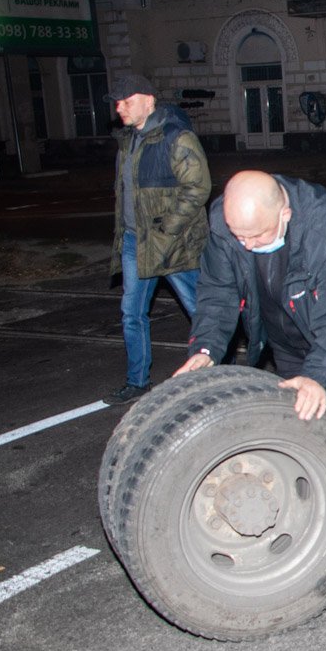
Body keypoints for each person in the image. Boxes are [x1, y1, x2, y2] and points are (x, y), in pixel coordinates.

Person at [175, 171, 326, 554]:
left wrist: (318, 375)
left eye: (258, 236)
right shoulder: (226, 221)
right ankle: (315, 504)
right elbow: (218, 290)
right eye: (240, 237)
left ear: (285, 212)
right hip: (286, 327)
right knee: (301, 421)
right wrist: (205, 348)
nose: (247, 246)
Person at [104, 73, 210, 405]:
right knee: (131, 312)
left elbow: (199, 187)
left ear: (149, 101)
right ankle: (137, 381)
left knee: (201, 310)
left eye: (127, 100)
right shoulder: (128, 141)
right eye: (117, 102)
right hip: (136, 242)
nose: (120, 107)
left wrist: (167, 230)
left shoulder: (177, 136)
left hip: (171, 242)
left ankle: (217, 376)